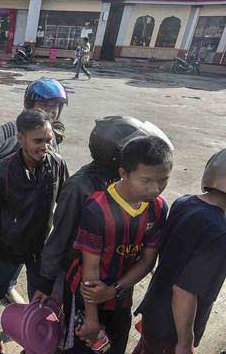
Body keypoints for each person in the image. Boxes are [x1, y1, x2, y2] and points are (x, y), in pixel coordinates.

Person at [0, 77, 69, 330]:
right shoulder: (12, 129)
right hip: (5, 214)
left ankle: (8, 288)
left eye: (55, 105)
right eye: (45, 104)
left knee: (16, 264)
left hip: (32, 222)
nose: (51, 110)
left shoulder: (52, 133)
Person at [35, 117, 174, 304]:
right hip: (78, 273)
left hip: (117, 276)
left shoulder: (131, 187)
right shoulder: (80, 187)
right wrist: (46, 281)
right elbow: (61, 236)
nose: (154, 187)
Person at [64, 136, 172, 354]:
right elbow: (90, 269)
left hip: (120, 297)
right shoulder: (96, 209)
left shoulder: (158, 209)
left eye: (163, 180)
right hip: (87, 300)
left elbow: (147, 260)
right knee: (82, 347)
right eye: (146, 180)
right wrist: (92, 319)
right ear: (123, 173)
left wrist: (114, 291)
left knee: (115, 347)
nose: (155, 188)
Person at [0, 109, 68, 353]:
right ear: (20, 138)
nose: (45, 146)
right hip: (8, 248)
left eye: (48, 140)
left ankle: (35, 335)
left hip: (40, 250)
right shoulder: (0, 172)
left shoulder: (57, 165)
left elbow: (66, 208)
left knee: (40, 297)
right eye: (38, 140)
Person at [133, 149, 226, 354]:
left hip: (154, 313)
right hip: (171, 332)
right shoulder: (219, 232)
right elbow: (184, 290)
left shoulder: (185, 202)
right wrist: (185, 342)